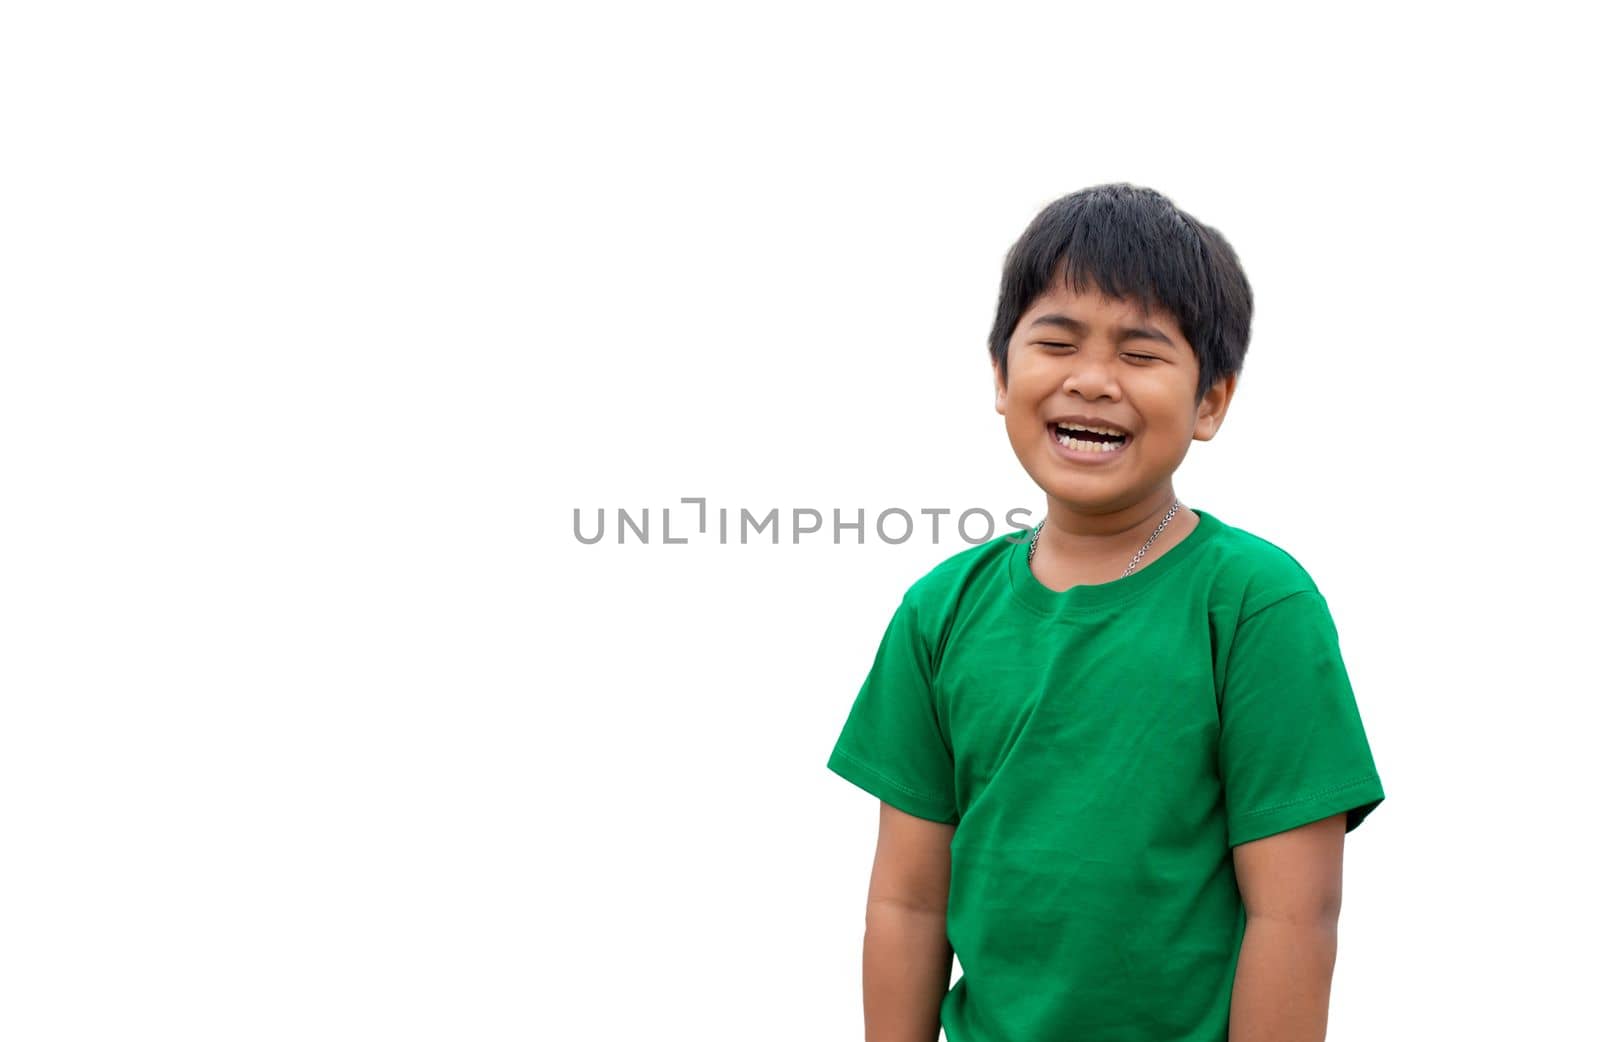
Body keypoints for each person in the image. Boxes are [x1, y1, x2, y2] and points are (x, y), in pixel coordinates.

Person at [825, 183, 1386, 1042]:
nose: (1092, 381)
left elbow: (1296, 918)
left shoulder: (1255, 606)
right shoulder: (939, 612)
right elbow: (906, 901)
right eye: (1055, 342)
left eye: (1141, 351)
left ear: (1211, 401)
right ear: (1002, 378)